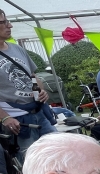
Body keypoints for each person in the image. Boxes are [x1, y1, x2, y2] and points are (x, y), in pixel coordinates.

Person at [0, 9, 56, 161]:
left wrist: (41, 90)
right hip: (17, 121)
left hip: (39, 113)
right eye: (3, 22)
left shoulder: (17, 49)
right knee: (32, 163)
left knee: (58, 152)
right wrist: (5, 118)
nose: (9, 25)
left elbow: (32, 76)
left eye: (8, 21)